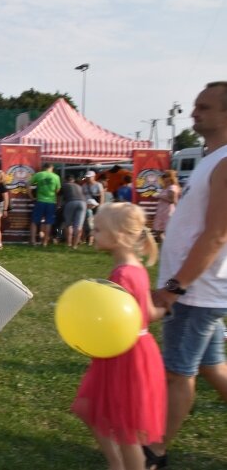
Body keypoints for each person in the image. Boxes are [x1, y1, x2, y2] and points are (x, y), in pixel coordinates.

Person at [147, 81, 227, 469]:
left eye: (205, 107)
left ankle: (155, 452)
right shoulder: (213, 158)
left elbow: (217, 234)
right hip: (199, 289)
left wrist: (175, 288)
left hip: (197, 291)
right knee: (212, 366)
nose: (194, 113)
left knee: (178, 374)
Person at [72, 202, 167, 470]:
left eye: (99, 229)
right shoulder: (137, 269)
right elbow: (148, 312)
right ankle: (116, 464)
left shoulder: (122, 274)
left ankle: (121, 465)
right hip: (135, 348)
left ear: (118, 236)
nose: (94, 233)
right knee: (91, 410)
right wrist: (168, 305)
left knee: (125, 429)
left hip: (124, 352)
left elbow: (119, 320)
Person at [29, 163, 61, 246]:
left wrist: (31, 196)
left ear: (43, 168)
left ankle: (33, 241)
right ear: (51, 168)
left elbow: (27, 184)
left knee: (34, 221)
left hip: (40, 201)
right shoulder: (56, 177)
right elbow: (57, 191)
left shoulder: (38, 175)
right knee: (48, 222)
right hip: (51, 202)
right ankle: (45, 242)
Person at [151, 170, 180, 243]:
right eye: (163, 176)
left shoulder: (172, 187)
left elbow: (172, 200)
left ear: (171, 177)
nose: (163, 178)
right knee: (158, 231)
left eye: (165, 176)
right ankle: (163, 245)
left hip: (168, 211)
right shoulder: (167, 187)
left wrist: (159, 196)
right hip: (162, 211)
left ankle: (166, 245)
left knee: (166, 231)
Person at [59, 174, 87, 249]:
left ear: (65, 180)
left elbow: (59, 197)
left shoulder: (64, 185)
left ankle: (69, 244)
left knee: (68, 225)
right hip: (83, 203)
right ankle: (75, 245)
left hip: (71, 202)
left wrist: (58, 206)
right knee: (78, 226)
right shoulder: (78, 186)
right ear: (73, 180)